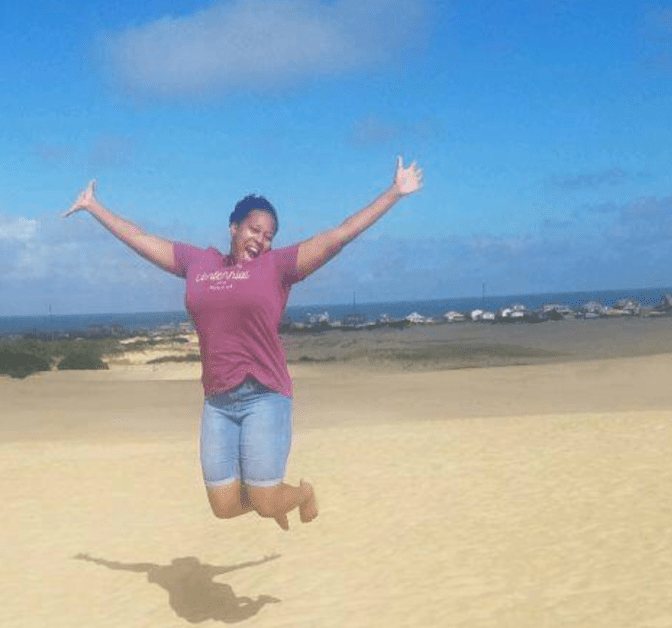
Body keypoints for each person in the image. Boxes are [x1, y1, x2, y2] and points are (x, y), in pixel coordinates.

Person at [64, 157, 423, 530]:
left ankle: (302, 494)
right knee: (223, 507)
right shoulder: (198, 262)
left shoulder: (277, 267)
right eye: (254, 230)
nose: (261, 240)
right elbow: (141, 239)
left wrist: (394, 192)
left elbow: (339, 235)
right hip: (217, 401)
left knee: (265, 502)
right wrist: (94, 207)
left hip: (264, 394)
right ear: (234, 228)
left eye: (269, 236)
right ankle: (275, 499)